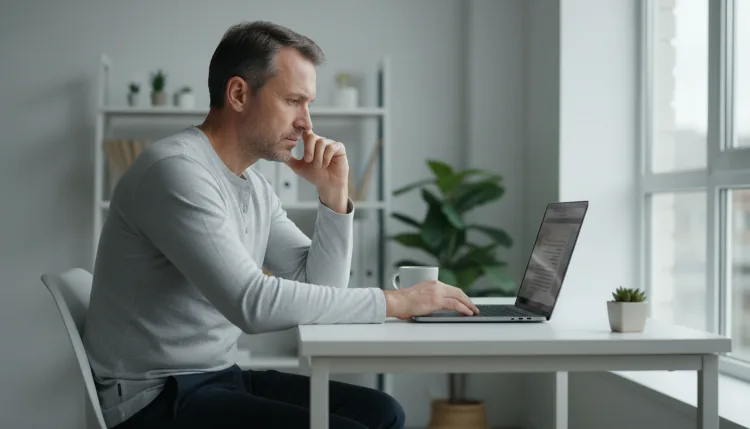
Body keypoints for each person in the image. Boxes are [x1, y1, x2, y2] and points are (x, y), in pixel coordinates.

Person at [82, 20, 479, 429]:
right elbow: (251, 304)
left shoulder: (253, 184)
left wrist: (333, 195)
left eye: (308, 104)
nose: (307, 122)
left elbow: (322, 291)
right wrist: (395, 301)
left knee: (383, 412)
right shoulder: (176, 171)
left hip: (217, 377)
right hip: (155, 398)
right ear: (238, 94)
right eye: (293, 101)